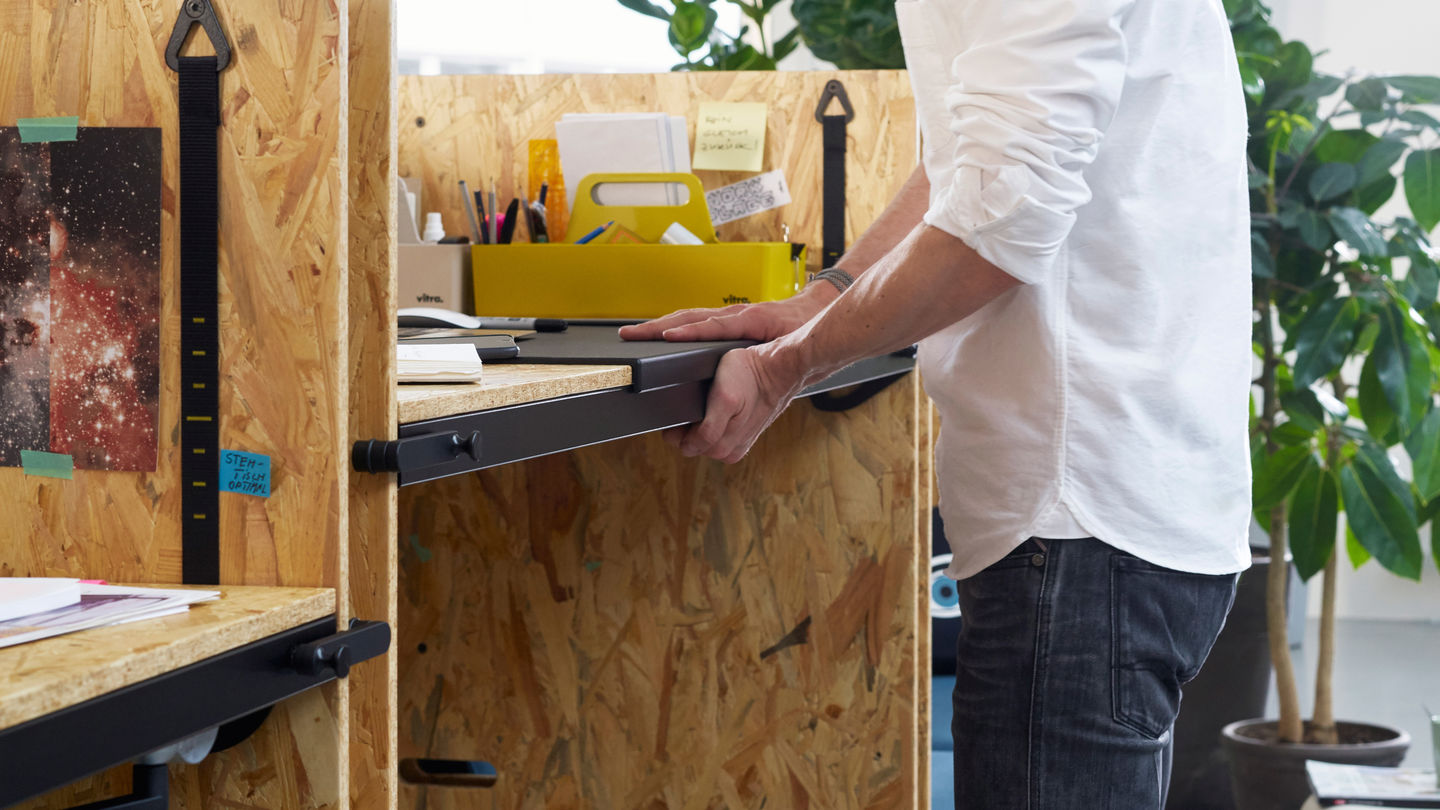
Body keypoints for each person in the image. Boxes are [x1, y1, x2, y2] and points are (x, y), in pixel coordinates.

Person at [622, 0, 1251, 805]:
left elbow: (1008, 213)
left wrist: (789, 366)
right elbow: (976, 163)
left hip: (1079, 517)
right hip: (1106, 505)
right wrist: (820, 304)